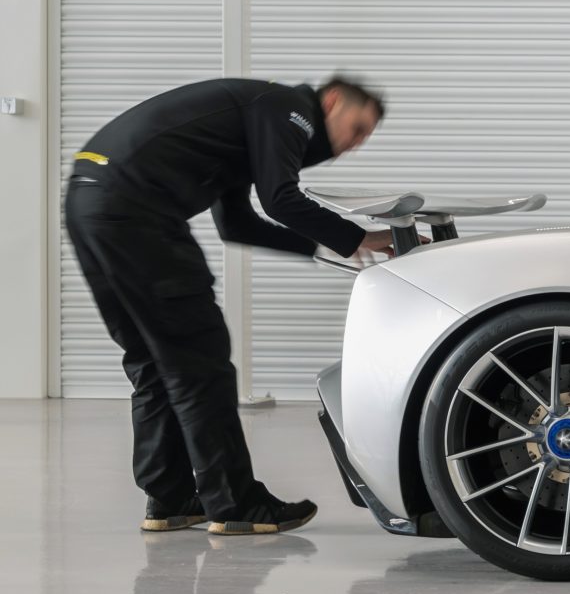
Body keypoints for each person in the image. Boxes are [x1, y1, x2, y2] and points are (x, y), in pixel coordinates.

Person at [64, 76, 395, 535]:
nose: (354, 145)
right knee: (199, 360)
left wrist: (328, 248)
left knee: (154, 360)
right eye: (357, 129)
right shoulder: (289, 108)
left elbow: (238, 224)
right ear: (332, 101)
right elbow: (281, 199)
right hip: (137, 213)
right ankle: (236, 504)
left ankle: (171, 498)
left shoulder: (247, 122)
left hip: (90, 203)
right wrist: (358, 238)